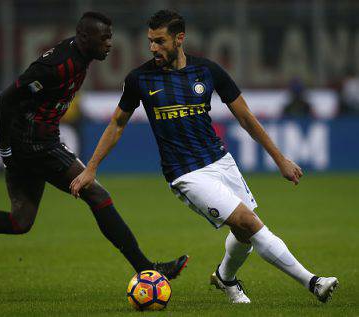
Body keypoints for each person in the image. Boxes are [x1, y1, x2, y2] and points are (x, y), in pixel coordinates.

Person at [70, 10, 338, 304]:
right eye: (150, 41)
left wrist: (280, 159)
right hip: (185, 173)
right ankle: (313, 282)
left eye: (160, 41)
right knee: (249, 222)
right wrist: (91, 168)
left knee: (244, 233)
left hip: (220, 160)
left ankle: (225, 278)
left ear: (179, 39)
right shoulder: (140, 79)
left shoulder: (208, 71)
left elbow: (246, 118)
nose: (152, 48)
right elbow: (117, 123)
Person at [0, 12, 188, 280]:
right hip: (34, 144)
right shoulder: (56, 65)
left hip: (34, 141)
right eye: (105, 38)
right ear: (85, 38)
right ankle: (147, 269)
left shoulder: (80, 57)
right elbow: (5, 100)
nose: (110, 44)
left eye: (110, 37)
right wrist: (5, 150)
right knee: (97, 194)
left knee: (20, 221)